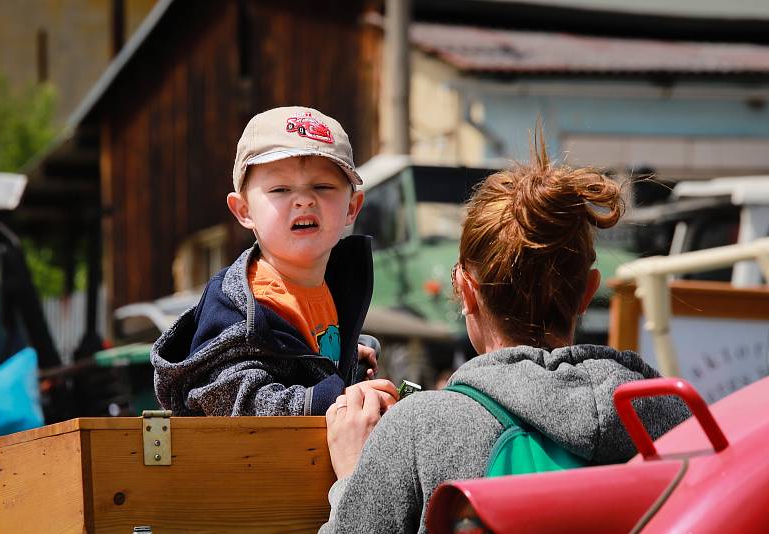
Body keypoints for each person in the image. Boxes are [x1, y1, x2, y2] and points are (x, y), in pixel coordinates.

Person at [319, 130, 690, 532]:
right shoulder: (670, 416)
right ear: (588, 292)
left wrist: (352, 480)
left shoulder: (419, 429)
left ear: (466, 291)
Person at [151, 106, 398, 416]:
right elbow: (233, 403)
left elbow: (301, 366)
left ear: (352, 207)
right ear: (244, 211)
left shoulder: (336, 286)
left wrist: (346, 364)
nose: (304, 199)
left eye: (322, 187)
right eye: (281, 189)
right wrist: (339, 395)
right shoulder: (239, 306)